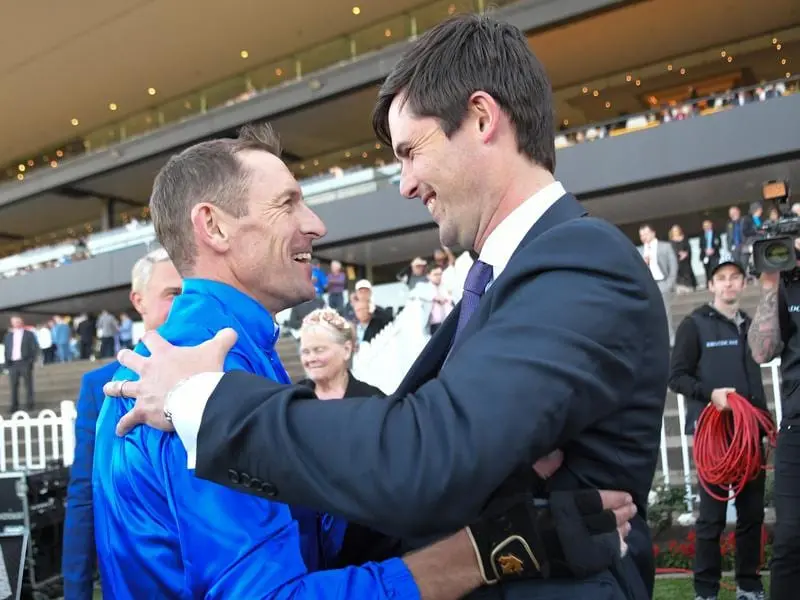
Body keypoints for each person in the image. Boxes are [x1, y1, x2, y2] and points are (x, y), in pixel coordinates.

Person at [106, 15, 665, 599]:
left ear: (480, 118)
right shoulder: (198, 358)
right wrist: (492, 525)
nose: (404, 184)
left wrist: (202, 401)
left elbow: (425, 457)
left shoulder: (580, 260)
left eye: (408, 152)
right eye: (289, 203)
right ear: (213, 226)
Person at [63, 247, 182, 600]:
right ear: (138, 300)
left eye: (191, 294)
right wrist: (76, 589)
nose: (183, 305)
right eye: (172, 294)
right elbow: (86, 492)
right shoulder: (102, 386)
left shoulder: (225, 372)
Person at [668, 260, 767, 600]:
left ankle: (749, 586)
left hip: (749, 435)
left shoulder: (750, 326)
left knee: (751, 515)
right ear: (711, 285)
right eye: (721, 279)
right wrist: (710, 395)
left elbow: (756, 383)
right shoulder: (694, 324)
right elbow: (676, 376)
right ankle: (706, 591)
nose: (728, 284)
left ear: (742, 283)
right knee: (711, 519)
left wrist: (762, 424)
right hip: (714, 436)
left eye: (734, 278)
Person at [747, 262, 800, 600]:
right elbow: (761, 351)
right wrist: (769, 286)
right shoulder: (787, 285)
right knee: (791, 538)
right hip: (797, 426)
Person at [3, 316, 38, 412]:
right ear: (12, 323)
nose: (16, 323)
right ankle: (14, 406)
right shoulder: (8, 336)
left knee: (28, 384)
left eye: (18, 321)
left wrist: (31, 360)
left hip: (25, 362)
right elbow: (6, 350)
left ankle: (30, 404)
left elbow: (34, 347)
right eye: (14, 322)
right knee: (13, 385)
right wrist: (7, 363)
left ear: (21, 322)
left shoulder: (29, 334)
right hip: (13, 363)